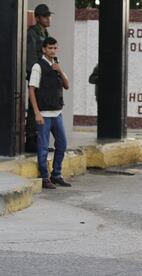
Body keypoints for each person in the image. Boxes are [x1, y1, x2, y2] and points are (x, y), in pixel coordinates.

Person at [28, 37, 72, 189]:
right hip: (44, 114)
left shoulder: (56, 65)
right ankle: (44, 177)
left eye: (55, 48)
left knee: (62, 144)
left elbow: (67, 86)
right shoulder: (37, 67)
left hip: (57, 113)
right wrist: (37, 113)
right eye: (50, 48)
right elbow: (31, 90)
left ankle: (56, 174)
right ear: (44, 49)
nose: (53, 51)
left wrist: (60, 70)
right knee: (43, 147)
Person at [25, 4, 53, 153]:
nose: (48, 18)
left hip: (45, 77)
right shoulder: (32, 34)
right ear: (37, 18)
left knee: (43, 108)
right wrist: (35, 77)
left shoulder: (45, 33)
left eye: (49, 16)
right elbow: (30, 59)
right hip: (36, 77)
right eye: (45, 16)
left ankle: (40, 140)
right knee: (33, 109)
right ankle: (31, 140)